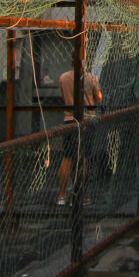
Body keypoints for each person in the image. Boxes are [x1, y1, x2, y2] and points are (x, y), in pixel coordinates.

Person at [57, 68, 102, 205]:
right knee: (82, 158)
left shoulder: (63, 77)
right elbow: (99, 97)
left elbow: (63, 96)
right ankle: (78, 195)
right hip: (86, 118)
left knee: (67, 157)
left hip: (69, 119)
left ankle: (62, 196)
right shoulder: (91, 78)